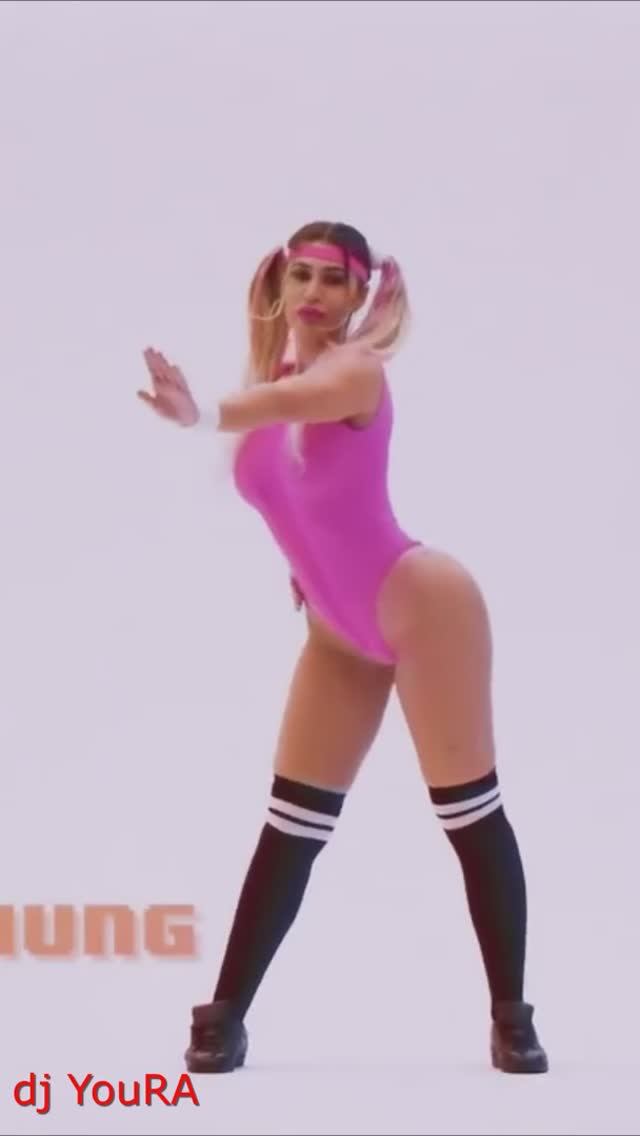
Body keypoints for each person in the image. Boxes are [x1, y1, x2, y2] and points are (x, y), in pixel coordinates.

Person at [137, 221, 549, 1076]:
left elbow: (293, 409)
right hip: (336, 631)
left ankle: (511, 1017)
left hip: (425, 610)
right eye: (302, 276)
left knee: (467, 816)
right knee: (291, 824)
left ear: (361, 293)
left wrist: (200, 413)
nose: (315, 293)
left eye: (334, 279)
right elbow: (300, 492)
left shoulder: (351, 372)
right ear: (280, 285)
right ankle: (225, 1015)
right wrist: (308, 571)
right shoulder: (279, 378)